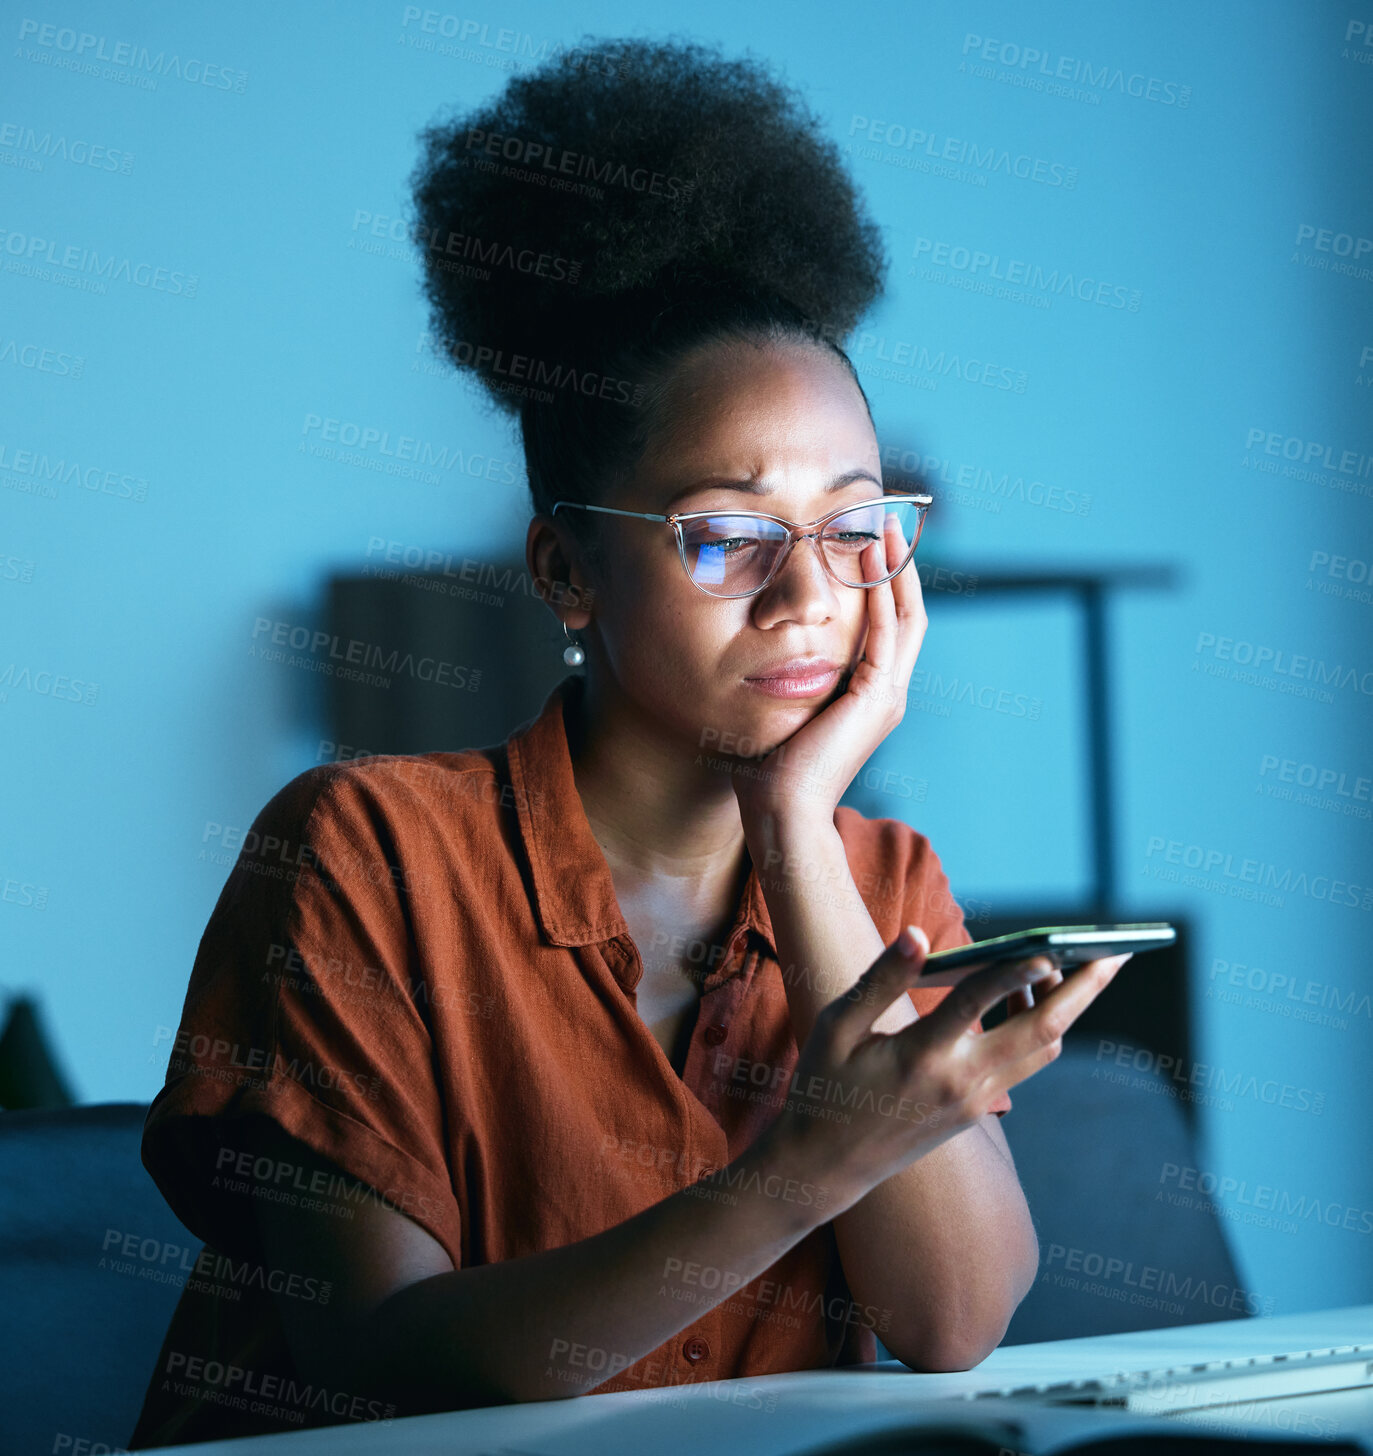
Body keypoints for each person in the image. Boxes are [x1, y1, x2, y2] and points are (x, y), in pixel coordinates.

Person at [128, 36, 1128, 1447]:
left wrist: (791, 828)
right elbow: (380, 1369)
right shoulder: (364, 850)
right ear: (564, 572)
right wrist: (805, 1164)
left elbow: (953, 1318)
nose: (805, 595)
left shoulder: (878, 874)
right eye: (721, 535)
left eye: (853, 529)